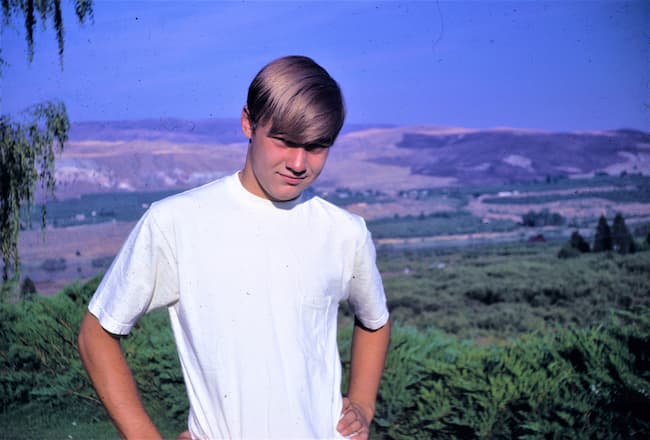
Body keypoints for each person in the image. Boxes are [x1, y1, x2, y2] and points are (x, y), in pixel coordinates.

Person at [78, 55, 390, 440]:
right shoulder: (176, 222)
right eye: (284, 141)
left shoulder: (345, 231)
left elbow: (375, 319)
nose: (298, 162)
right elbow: (96, 334)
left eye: (317, 146)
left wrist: (362, 403)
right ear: (248, 122)